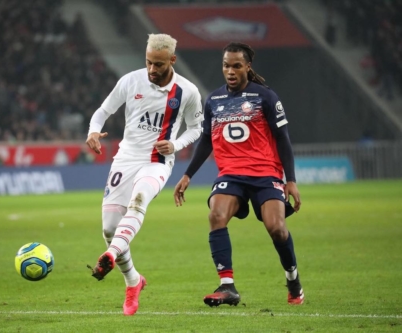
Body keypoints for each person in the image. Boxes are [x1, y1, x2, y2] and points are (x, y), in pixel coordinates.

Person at [173, 42, 304, 307]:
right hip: (231, 174)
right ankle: (227, 286)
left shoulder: (265, 97)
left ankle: (293, 279)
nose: (230, 71)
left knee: (277, 229)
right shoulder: (214, 100)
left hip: (266, 173)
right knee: (216, 215)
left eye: (236, 66)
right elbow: (207, 141)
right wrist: (187, 175)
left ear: (247, 67)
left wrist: (290, 180)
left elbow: (283, 138)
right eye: (225, 65)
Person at [86, 33, 203, 315]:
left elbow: (196, 128)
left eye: (159, 65)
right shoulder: (131, 80)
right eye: (149, 62)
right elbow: (103, 111)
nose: (152, 70)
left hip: (157, 161)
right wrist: (92, 131)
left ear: (172, 61)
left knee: (138, 201)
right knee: (109, 228)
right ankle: (134, 281)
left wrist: (175, 144)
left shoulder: (187, 92)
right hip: (125, 159)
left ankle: (110, 255)